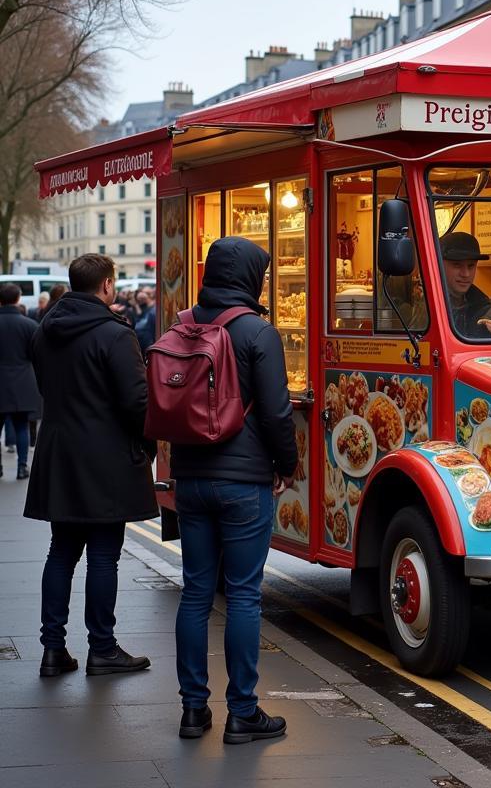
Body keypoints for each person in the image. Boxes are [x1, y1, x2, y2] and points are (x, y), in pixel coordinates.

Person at [172, 236, 298, 744]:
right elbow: (275, 411)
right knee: (244, 596)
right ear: (250, 277)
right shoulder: (256, 332)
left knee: (197, 592)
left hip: (190, 478)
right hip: (244, 481)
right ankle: (243, 712)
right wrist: (287, 464)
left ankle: (192, 710)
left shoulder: (182, 325)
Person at [24, 254, 155, 678]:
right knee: (103, 555)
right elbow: (137, 402)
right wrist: (148, 445)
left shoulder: (45, 331)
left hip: (59, 451)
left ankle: (52, 649)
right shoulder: (115, 335)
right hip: (106, 455)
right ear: (107, 286)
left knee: (61, 551)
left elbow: (47, 386)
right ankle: (102, 648)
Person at [0, 283, 43, 479]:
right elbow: (37, 356)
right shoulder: (29, 325)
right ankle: (22, 466)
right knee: (21, 426)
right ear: (18, 299)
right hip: (22, 381)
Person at [439, 232, 491, 336]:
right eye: (457, 265)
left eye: (471, 266)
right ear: (439, 264)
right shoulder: (420, 305)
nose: (465, 274)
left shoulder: (485, 308)